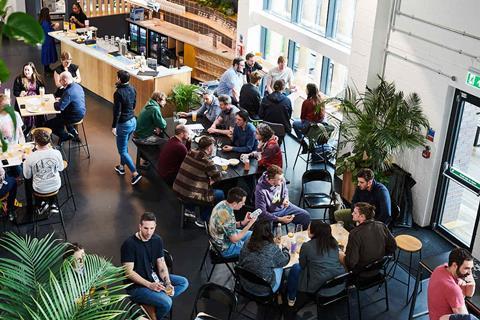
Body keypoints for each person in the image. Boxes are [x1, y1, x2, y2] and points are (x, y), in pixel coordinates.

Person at [121, 212, 189, 320]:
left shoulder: (157, 240)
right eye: (146, 228)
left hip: (154, 277)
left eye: (152, 228)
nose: (149, 232)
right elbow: (129, 272)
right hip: (136, 287)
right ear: (140, 226)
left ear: (155, 227)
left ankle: (151, 307)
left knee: (183, 282)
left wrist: (167, 283)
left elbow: (161, 265)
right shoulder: (129, 244)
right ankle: (154, 314)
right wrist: (149, 285)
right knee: (167, 302)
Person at [286, 221, 345, 310]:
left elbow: (302, 265)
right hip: (340, 283)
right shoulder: (333, 242)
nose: (307, 231)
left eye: (309, 229)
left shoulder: (307, 246)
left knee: (295, 268)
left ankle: (291, 298)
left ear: (314, 232)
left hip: (320, 287)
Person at [173, 136, 224, 225]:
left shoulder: (190, 152)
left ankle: (190, 209)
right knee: (220, 194)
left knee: (202, 187)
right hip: (189, 195)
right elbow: (218, 178)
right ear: (209, 148)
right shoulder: (207, 161)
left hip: (178, 188)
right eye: (213, 146)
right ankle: (203, 218)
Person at [238, 220, 289, 296]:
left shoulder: (247, 242)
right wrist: (285, 250)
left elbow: (241, 261)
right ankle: (281, 292)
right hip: (264, 290)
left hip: (245, 284)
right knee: (280, 265)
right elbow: (285, 261)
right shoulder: (272, 249)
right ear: (269, 232)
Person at [344, 202, 396, 274]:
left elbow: (351, 263)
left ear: (362, 216)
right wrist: (380, 259)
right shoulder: (381, 225)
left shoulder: (354, 233)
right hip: (378, 268)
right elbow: (393, 246)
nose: (352, 214)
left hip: (361, 273)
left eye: (355, 213)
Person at [255, 164, 310, 229]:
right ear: (272, 180)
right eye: (280, 179)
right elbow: (262, 213)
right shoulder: (260, 190)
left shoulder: (281, 179)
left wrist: (286, 199)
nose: (283, 181)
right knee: (265, 227)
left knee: (305, 216)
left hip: (285, 208)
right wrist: (280, 219)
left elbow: (285, 190)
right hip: (271, 213)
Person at [428, 248, 476, 320]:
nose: (470, 273)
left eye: (471, 269)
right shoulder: (453, 290)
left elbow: (469, 294)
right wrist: (460, 295)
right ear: (454, 265)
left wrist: (472, 284)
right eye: (466, 268)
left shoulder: (439, 268)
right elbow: (466, 319)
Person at [112, 70, 142, 185]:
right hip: (133, 121)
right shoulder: (133, 88)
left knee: (122, 150)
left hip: (123, 124)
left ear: (119, 79)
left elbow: (117, 112)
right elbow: (134, 105)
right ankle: (121, 167)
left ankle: (135, 173)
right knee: (124, 146)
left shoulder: (118, 93)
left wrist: (114, 126)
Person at [209, 187, 257, 258]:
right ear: (235, 203)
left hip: (224, 237)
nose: (243, 204)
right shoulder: (226, 215)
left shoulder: (223, 204)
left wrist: (243, 222)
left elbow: (229, 226)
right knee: (256, 249)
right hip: (224, 248)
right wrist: (250, 224)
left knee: (254, 235)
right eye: (242, 202)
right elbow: (235, 239)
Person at [46, 71, 86, 144]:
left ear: (64, 80)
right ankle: (73, 132)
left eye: (60, 80)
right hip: (82, 113)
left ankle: (64, 136)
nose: (59, 82)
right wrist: (62, 99)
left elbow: (59, 107)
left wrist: (55, 102)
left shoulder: (68, 91)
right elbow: (72, 100)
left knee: (47, 124)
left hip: (72, 116)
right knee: (59, 117)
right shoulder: (78, 86)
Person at [23, 128, 64, 197]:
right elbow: (61, 168)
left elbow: (27, 176)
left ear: (35, 141)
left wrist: (25, 161)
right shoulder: (57, 153)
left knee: (29, 183)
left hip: (40, 189)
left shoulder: (30, 157)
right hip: (56, 185)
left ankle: (36, 203)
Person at [13, 62, 45, 131]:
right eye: (25, 70)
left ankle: (38, 130)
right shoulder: (18, 79)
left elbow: (43, 90)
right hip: (24, 102)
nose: (26, 72)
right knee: (27, 115)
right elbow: (15, 92)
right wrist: (20, 94)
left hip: (36, 102)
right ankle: (27, 129)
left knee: (40, 116)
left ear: (33, 70)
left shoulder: (38, 78)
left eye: (28, 70)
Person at [39, 7, 59, 73]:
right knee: (47, 54)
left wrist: (51, 25)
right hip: (47, 41)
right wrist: (55, 27)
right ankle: (47, 70)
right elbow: (48, 31)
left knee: (47, 54)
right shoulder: (45, 22)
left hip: (46, 40)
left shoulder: (43, 21)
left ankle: (47, 69)